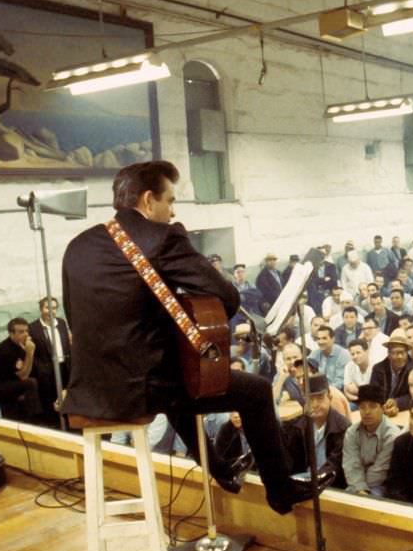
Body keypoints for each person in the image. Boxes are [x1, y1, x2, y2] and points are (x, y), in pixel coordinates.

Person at [60, 161, 322, 515]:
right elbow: (227, 298)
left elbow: (77, 315)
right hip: (141, 390)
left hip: (90, 388)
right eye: (169, 201)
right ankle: (281, 490)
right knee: (256, 391)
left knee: (180, 376)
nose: (172, 211)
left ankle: (220, 467)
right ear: (149, 200)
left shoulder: (79, 245)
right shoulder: (162, 237)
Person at [281, 375, 348, 489]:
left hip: (330, 484)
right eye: (310, 399)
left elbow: (334, 467)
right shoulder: (298, 425)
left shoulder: (343, 427)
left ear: (330, 397)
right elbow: (290, 459)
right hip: (302, 480)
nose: (315, 404)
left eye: (320, 398)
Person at [342, 384, 399, 496]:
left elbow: (380, 471)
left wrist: (361, 489)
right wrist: (359, 488)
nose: (367, 412)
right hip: (356, 483)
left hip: (381, 485)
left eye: (372, 406)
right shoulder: (352, 432)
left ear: (383, 409)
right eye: (362, 407)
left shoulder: (392, 435)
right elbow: (351, 464)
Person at [0, 318, 45, 423]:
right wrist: (30, 353)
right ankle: (35, 419)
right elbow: (24, 375)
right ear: (11, 334)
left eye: (27, 331)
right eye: (21, 332)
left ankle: (48, 413)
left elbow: (28, 369)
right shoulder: (6, 350)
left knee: (43, 373)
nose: (26, 334)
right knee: (30, 383)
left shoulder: (20, 344)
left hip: (13, 379)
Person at [30, 296, 72, 414]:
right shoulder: (33, 328)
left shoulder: (62, 323)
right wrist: (41, 369)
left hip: (64, 366)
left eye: (54, 308)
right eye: (47, 308)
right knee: (51, 400)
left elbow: (66, 344)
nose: (51, 311)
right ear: (41, 309)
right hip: (47, 371)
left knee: (66, 395)